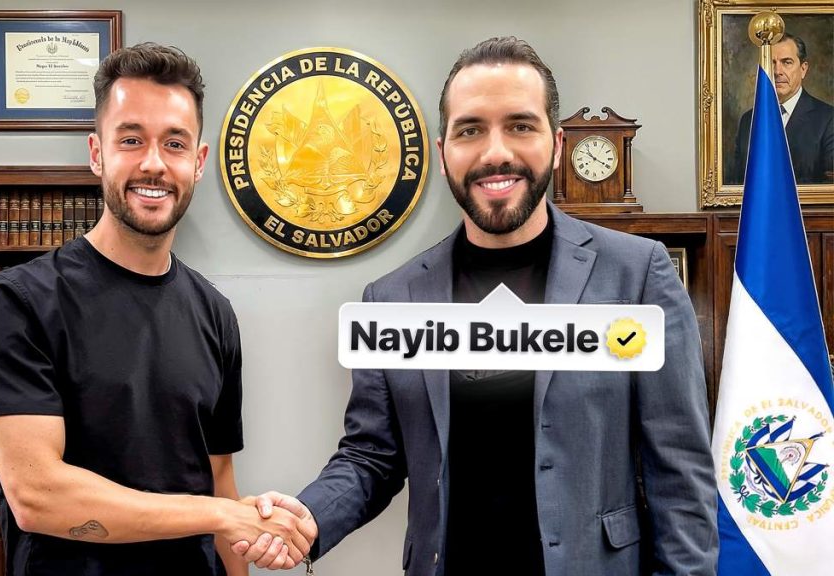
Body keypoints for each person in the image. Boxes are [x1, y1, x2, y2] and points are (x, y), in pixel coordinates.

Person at [236, 37, 718, 575]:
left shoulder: (638, 274)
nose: (495, 153)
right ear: (443, 153)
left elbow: (680, 470)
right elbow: (372, 455)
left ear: (557, 145)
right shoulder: (392, 300)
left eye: (520, 125)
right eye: (470, 130)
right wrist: (309, 516)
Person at [0, 43, 312, 576]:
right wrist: (223, 515)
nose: (153, 163)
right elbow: (38, 495)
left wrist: (237, 525)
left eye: (174, 143)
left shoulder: (215, 313)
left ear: (198, 162)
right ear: (96, 153)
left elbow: (220, 480)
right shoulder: (20, 301)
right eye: (131, 140)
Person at [731, 33, 834, 184]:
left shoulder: (829, 119)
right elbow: (737, 183)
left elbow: (829, 187)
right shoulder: (748, 120)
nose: (777, 71)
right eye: (771, 63)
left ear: (803, 69)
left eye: (787, 62)